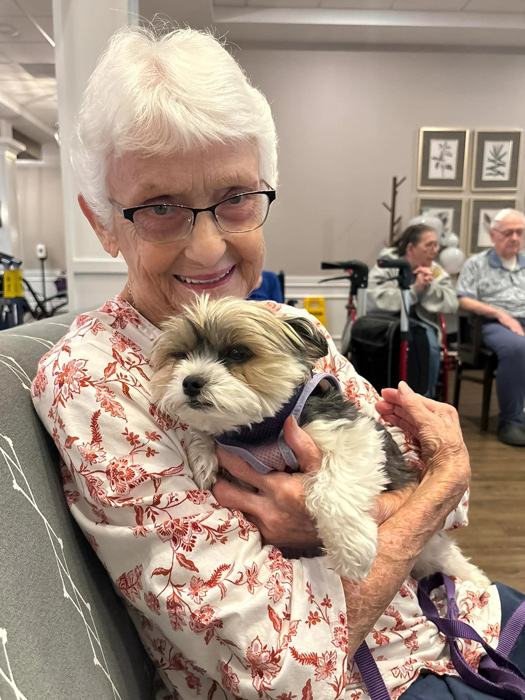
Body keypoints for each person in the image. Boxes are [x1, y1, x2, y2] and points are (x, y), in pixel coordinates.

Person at [30, 25, 522, 699]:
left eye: (235, 197)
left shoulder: (285, 324)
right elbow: (280, 666)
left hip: (459, 619)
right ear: (102, 222)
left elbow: (429, 487)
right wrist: (429, 491)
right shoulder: (92, 381)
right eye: (160, 207)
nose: (207, 249)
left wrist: (406, 499)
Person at [456, 208, 525, 447]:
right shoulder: (476, 263)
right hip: (492, 323)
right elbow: (464, 298)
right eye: (508, 233)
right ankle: (511, 422)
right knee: (517, 347)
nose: (515, 238)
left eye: (520, 233)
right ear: (493, 235)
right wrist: (500, 314)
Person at [367, 224, 458, 398]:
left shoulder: (436, 271)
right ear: (411, 248)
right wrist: (414, 289)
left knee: (430, 345)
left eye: (436, 245)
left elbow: (452, 303)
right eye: (429, 245)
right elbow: (375, 298)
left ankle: (425, 398)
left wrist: (429, 288)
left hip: (423, 324)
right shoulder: (386, 265)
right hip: (385, 323)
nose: (434, 251)